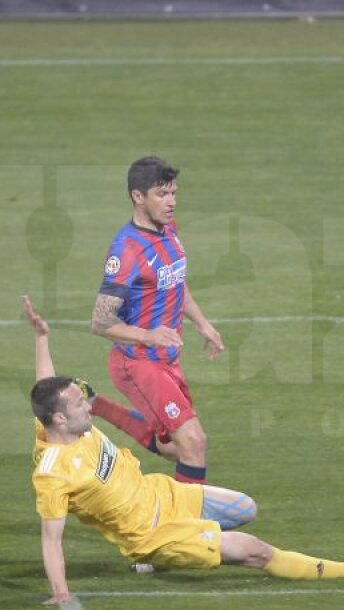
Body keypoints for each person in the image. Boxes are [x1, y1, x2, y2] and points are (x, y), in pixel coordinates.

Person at [23, 295, 344, 605]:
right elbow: (50, 538)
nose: (89, 406)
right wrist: (62, 592)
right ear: (58, 420)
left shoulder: (53, 423)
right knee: (256, 552)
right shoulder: (54, 474)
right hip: (152, 533)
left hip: (162, 494)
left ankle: (201, 538)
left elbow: (45, 385)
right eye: (79, 405)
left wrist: (42, 337)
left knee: (246, 508)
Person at [89, 155, 222, 485]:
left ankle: (95, 405)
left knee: (173, 446)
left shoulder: (167, 230)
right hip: (138, 363)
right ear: (138, 197)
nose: (172, 202)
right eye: (162, 194)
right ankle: (188, 532)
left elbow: (174, 280)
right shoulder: (126, 253)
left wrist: (202, 323)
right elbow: (101, 322)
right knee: (194, 443)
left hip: (166, 359)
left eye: (174, 193)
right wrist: (148, 337)